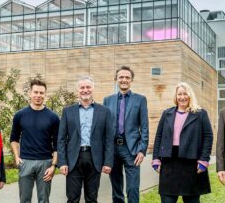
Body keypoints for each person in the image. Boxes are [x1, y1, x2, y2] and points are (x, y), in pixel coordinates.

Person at [152, 82, 213, 203]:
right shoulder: (167, 113)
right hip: (169, 163)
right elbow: (158, 136)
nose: (182, 97)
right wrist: (155, 158)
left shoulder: (200, 114)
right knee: (167, 200)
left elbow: (208, 137)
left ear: (190, 95)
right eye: (179, 94)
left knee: (192, 200)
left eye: (185, 94)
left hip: (191, 164)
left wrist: (204, 160)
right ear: (176, 96)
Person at [57, 76, 114, 203]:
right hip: (73, 159)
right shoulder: (68, 111)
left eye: (88, 87)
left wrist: (108, 162)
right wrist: (62, 162)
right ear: (78, 90)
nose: (85, 90)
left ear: (93, 88)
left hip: (95, 159)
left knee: (92, 198)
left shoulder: (104, 111)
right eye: (82, 87)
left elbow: (109, 139)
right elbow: (61, 139)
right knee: (72, 198)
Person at [103, 66, 149, 203]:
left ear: (131, 80)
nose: (124, 80)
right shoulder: (107, 100)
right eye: (121, 77)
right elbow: (104, 127)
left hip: (132, 150)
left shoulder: (140, 99)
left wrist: (142, 150)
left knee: (133, 188)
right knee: (116, 188)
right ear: (116, 79)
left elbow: (145, 126)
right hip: (113, 149)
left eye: (127, 77)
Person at [10, 79, 60, 203]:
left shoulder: (53, 117)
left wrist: (54, 165)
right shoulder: (20, 115)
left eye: (41, 93)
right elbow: (14, 139)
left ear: (45, 95)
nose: (38, 96)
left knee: (44, 200)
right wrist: (17, 157)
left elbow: (57, 144)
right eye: (36, 92)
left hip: (45, 163)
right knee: (24, 199)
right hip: (25, 162)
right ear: (30, 93)